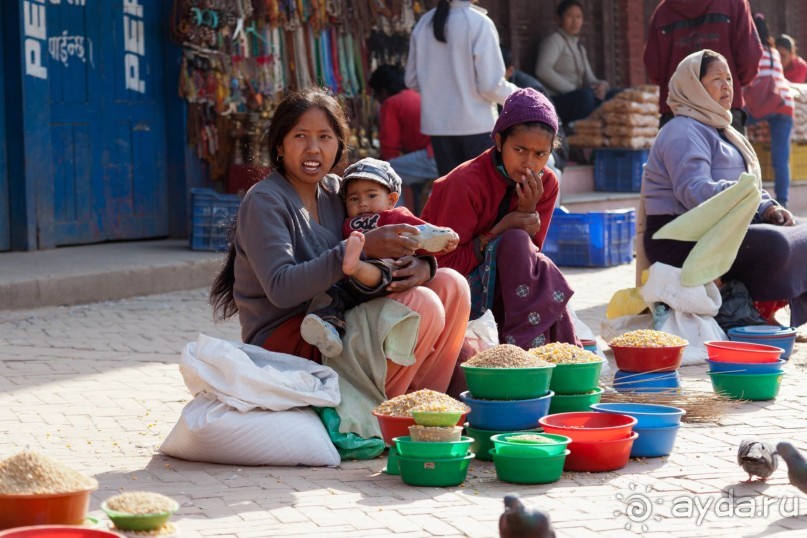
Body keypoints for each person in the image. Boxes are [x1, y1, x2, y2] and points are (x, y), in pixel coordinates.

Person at [209, 88, 471, 398]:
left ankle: (422, 405)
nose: (313, 149)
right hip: (295, 334)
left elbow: (385, 237)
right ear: (279, 146)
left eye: (325, 137)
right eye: (300, 137)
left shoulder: (339, 192)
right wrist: (357, 251)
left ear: (338, 145)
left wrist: (422, 265)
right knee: (420, 306)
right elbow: (281, 288)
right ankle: (372, 417)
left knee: (451, 284)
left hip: (346, 313)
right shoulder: (265, 201)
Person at [641, 49, 807, 330]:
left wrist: (769, 207)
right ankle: (746, 311)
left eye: (729, 78)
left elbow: (747, 187)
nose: (727, 85)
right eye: (717, 78)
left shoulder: (723, 130)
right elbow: (693, 191)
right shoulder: (682, 130)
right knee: (775, 245)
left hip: (720, 227)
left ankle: (761, 310)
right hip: (679, 236)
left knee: (800, 233)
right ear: (693, 85)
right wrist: (750, 199)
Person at [421, 88, 580, 349]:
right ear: (498, 141)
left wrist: (528, 211)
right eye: (519, 149)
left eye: (540, 154)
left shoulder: (546, 183)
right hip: (450, 287)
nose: (529, 163)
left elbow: (527, 259)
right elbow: (442, 264)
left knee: (540, 264)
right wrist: (500, 229)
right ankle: (523, 346)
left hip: (505, 286)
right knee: (519, 241)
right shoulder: (465, 183)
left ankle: (544, 350)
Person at [300, 157, 459, 358]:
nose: (363, 203)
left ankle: (354, 265)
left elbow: (423, 235)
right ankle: (329, 330)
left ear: (391, 200)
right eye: (354, 199)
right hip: (353, 286)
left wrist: (444, 238)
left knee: (384, 268)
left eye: (372, 195)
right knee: (332, 296)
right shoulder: (348, 221)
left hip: (385, 276)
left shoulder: (395, 218)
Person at [405, 0, 516, 177]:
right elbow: (490, 86)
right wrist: (519, 97)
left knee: (452, 194)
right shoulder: (479, 22)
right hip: (476, 126)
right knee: (481, 194)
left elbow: (412, 80)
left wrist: (436, 91)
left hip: (439, 128)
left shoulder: (424, 23)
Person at [643, 0, 762, 133]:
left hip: (677, 113)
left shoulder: (663, 12)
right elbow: (749, 58)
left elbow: (653, 66)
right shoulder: (734, 4)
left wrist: (681, 88)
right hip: (723, 111)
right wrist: (728, 82)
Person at [367, 65, 438, 213]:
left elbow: (389, 150)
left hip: (432, 157)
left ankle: (396, 219)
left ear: (382, 91)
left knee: (386, 174)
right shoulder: (414, 94)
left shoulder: (391, 103)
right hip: (440, 154)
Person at [534, 0, 616, 127]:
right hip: (558, 100)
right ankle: (573, 130)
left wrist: (602, 86)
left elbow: (590, 79)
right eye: (569, 16)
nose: (575, 21)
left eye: (578, 17)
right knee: (585, 97)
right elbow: (542, 70)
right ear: (558, 18)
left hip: (579, 96)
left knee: (614, 95)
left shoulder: (579, 47)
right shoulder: (554, 41)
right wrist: (572, 90)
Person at [744, 14, 795, 207]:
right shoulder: (774, 52)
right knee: (781, 158)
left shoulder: (753, 50)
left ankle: (746, 195)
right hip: (785, 103)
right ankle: (782, 202)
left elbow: (749, 80)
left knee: (733, 128)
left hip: (764, 104)